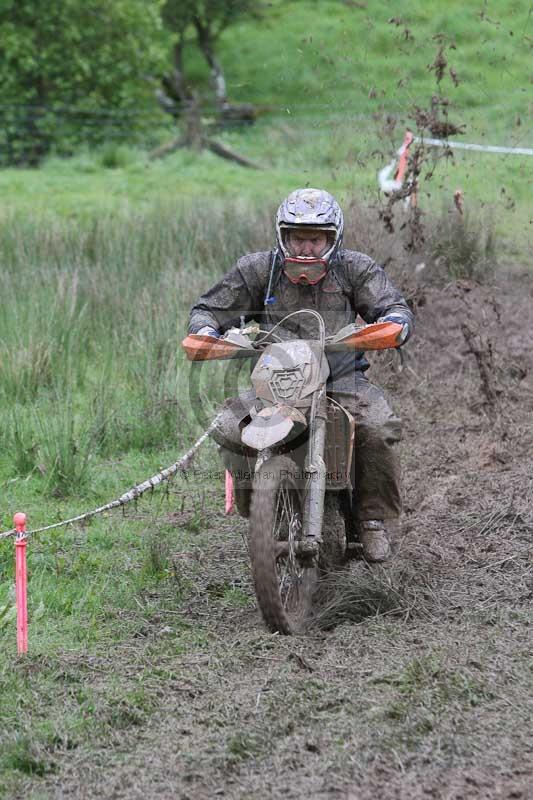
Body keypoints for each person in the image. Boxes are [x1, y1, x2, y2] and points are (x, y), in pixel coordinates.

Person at [188, 188, 414, 562]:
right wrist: (207, 331)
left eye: (316, 238)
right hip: (277, 382)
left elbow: (393, 306)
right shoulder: (258, 269)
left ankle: (372, 519)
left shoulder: (355, 268)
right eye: (298, 237)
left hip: (342, 379)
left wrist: (395, 323)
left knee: (378, 425)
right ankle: (256, 507)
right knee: (229, 427)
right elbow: (208, 309)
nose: (307, 247)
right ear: (284, 236)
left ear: (331, 238)